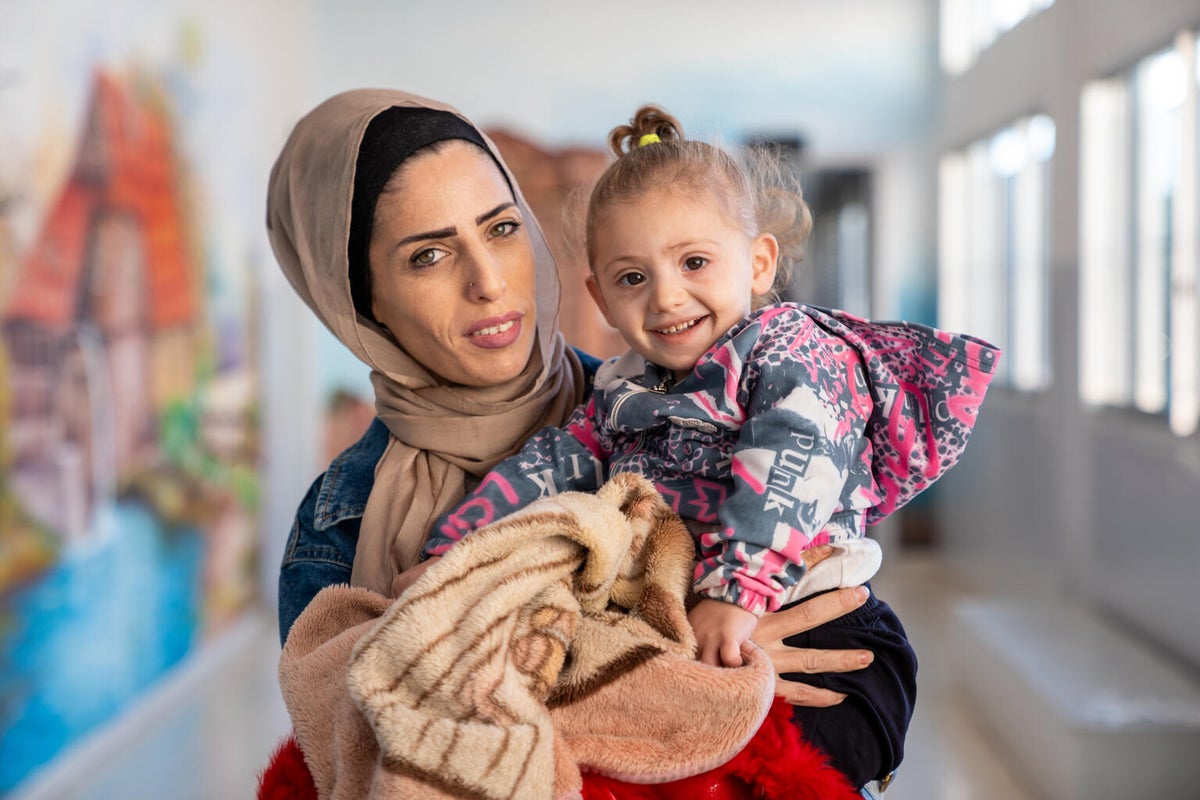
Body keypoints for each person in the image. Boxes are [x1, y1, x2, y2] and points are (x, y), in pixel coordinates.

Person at [268, 90, 916, 798]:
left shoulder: (691, 383)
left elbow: (801, 490)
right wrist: (675, 668)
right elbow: (363, 760)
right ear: (358, 300)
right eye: (427, 255)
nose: (488, 282)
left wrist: (742, 609)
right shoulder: (344, 522)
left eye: (503, 228)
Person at [409, 104, 998, 780]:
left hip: (812, 622)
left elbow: (792, 456)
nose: (666, 298)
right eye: (633, 278)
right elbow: (549, 466)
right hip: (687, 628)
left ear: (757, 263)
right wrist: (458, 552)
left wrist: (736, 590)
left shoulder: (788, 347)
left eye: (694, 262)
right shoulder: (623, 388)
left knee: (804, 775)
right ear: (600, 299)